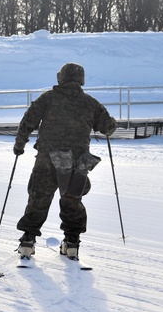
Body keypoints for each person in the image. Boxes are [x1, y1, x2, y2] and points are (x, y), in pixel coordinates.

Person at [13, 63, 117, 260]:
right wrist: (109, 123)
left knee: (39, 198)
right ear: (81, 80)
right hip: (76, 163)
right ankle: (71, 244)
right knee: (72, 201)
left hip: (47, 158)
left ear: (61, 78)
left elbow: (28, 120)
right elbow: (108, 127)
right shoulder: (90, 103)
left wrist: (20, 145)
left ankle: (27, 242)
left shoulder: (48, 98)